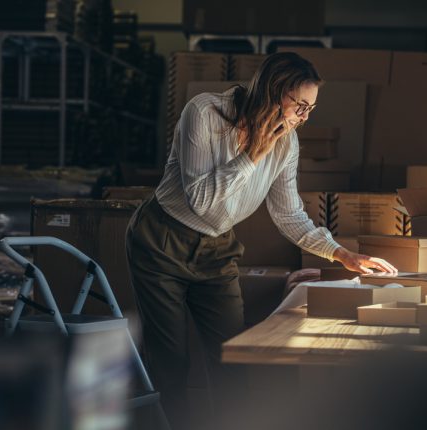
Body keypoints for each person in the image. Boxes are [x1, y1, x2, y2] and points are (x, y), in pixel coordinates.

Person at [125, 52, 398, 429]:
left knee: (232, 357)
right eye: (300, 105)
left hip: (216, 249)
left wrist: (341, 254)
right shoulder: (204, 114)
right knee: (171, 362)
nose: (304, 117)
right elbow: (201, 200)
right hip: (161, 240)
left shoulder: (287, 145)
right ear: (274, 91)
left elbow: (289, 214)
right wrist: (252, 156)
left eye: (311, 109)